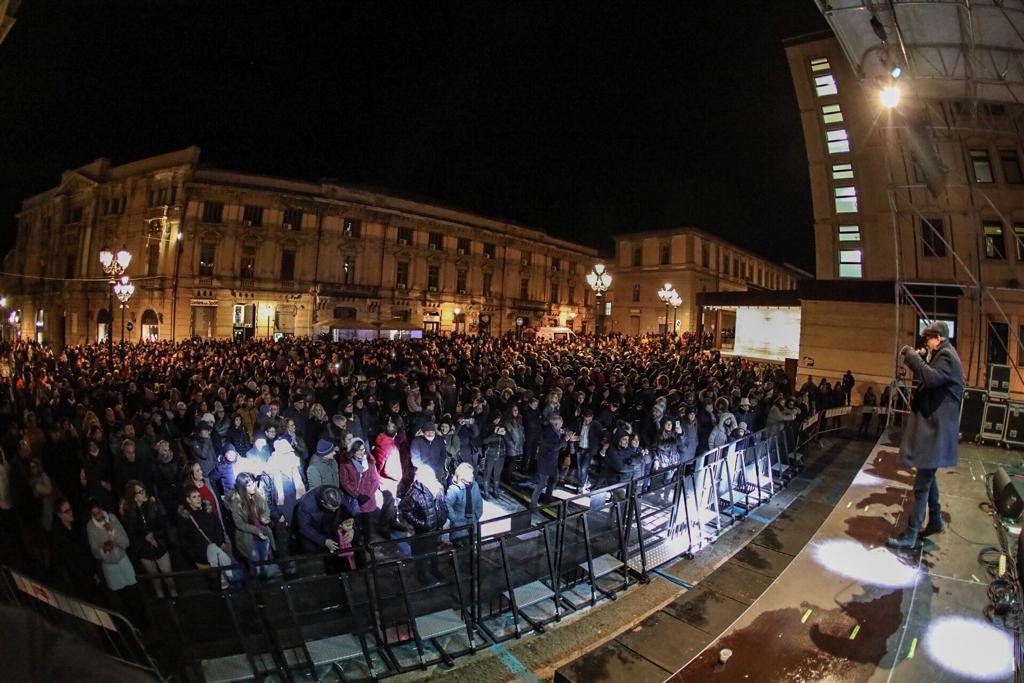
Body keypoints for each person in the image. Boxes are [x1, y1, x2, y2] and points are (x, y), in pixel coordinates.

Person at [888, 322, 963, 549]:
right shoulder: (944, 354)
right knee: (927, 476)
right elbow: (931, 375)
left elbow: (930, 378)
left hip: (936, 433)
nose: (926, 343)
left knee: (922, 484)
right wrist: (922, 358)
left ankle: (911, 534)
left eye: (928, 339)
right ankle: (937, 520)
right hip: (936, 433)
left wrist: (913, 356)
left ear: (938, 338)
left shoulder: (947, 356)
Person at [120, 480, 176, 599]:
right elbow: (131, 534)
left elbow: (163, 525)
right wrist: (144, 538)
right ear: (133, 497)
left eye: (143, 490)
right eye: (140, 492)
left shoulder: (152, 505)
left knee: (168, 577)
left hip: (159, 545)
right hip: (144, 550)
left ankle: (175, 598)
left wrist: (154, 534)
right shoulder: (129, 514)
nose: (144, 493)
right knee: (155, 579)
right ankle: (162, 602)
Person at [178, 484, 239, 589]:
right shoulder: (186, 519)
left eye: (198, 496)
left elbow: (218, 526)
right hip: (203, 557)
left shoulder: (207, 510)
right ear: (188, 500)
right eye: (194, 497)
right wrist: (196, 554)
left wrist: (220, 542)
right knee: (215, 583)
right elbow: (184, 540)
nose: (198, 499)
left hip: (218, 550)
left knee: (230, 579)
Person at [398, 466, 448, 585]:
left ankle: (434, 570)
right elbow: (405, 510)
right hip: (423, 531)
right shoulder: (414, 493)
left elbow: (443, 505)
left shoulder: (438, 488)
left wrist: (443, 517)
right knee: (421, 555)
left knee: (434, 552)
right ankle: (422, 575)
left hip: (437, 528)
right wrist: (421, 524)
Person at [224, 472, 275, 577]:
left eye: (253, 483)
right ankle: (258, 589)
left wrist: (265, 518)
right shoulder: (236, 502)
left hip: (263, 534)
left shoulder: (258, 494)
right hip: (248, 539)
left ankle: (267, 585)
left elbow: (266, 510)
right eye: (249, 485)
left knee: (265, 564)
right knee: (256, 567)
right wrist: (256, 531)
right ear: (243, 488)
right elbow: (239, 524)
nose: (253, 487)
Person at [294, 485, 351, 554]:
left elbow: (348, 512)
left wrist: (351, 528)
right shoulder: (306, 504)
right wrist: (323, 541)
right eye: (331, 508)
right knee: (311, 550)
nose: (334, 511)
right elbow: (304, 527)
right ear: (323, 502)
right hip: (313, 527)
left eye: (336, 508)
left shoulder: (339, 495)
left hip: (328, 524)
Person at [446, 462, 482, 546]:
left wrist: (477, 515)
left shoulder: (475, 485)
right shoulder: (454, 489)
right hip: (459, 526)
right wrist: (454, 518)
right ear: (463, 475)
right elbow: (447, 505)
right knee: (460, 549)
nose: (472, 475)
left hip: (473, 522)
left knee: (472, 546)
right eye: (470, 474)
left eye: (472, 473)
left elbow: (479, 502)